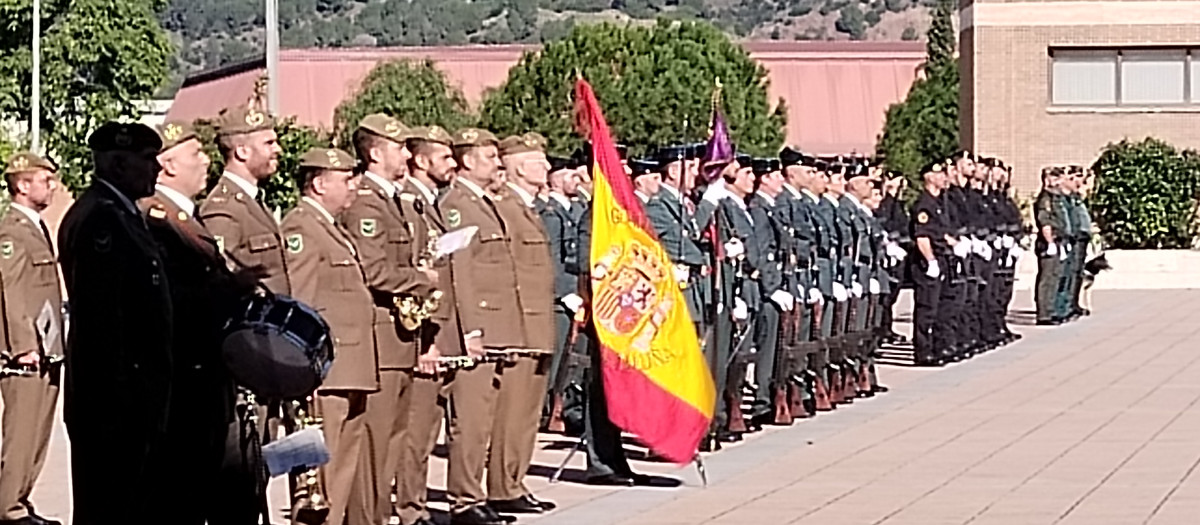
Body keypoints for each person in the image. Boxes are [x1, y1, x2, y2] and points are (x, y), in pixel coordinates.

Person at [139, 121, 264, 525]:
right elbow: (173, 298)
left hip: (207, 376)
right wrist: (233, 287)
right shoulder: (158, 218)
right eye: (196, 154)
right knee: (185, 494)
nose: (206, 161)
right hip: (186, 378)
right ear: (168, 165)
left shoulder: (185, 216)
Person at [58, 122, 173, 524]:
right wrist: (128, 393)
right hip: (114, 398)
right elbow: (103, 319)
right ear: (118, 164)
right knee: (110, 505)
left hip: (129, 393)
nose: (156, 168)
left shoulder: (123, 215)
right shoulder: (101, 220)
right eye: (146, 160)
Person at [342, 115, 440, 525]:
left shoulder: (395, 200)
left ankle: (382, 513)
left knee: (396, 441)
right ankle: (370, 517)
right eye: (399, 147)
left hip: (403, 337)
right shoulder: (366, 201)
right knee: (377, 443)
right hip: (382, 339)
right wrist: (423, 279)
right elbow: (375, 270)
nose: (405, 154)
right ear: (376, 153)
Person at [281, 147, 377, 525]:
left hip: (351, 364)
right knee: (319, 474)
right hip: (325, 371)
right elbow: (300, 302)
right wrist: (303, 369)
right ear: (319, 184)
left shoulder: (330, 227)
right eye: (345, 179)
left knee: (342, 469)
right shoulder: (301, 227)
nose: (353, 186)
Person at [440, 127, 522, 525]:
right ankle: (463, 499)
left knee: (484, 417)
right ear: (468, 160)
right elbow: (461, 272)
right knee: (469, 419)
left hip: (496, 325)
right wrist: (470, 328)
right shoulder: (457, 203)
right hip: (477, 326)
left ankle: (475, 495)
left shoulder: (484, 202)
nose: (497, 163)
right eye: (489, 156)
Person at [487, 132, 558, 515]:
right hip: (520, 327)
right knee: (511, 413)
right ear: (516, 166)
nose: (546, 167)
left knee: (528, 412)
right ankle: (502, 485)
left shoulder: (528, 207)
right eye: (537, 161)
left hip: (537, 324)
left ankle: (514, 480)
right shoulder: (506, 208)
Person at [397, 124, 463, 525]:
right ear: (422, 161)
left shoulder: (429, 203)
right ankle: (410, 509)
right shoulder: (408, 203)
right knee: (416, 432)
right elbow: (415, 274)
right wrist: (425, 341)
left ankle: (415, 504)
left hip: (439, 328)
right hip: (420, 331)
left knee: (426, 428)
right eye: (444, 157)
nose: (451, 164)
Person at [0, 152, 65, 525]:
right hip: (25, 353)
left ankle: (21, 503)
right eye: (45, 180)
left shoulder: (34, 226)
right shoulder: (12, 231)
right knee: (21, 435)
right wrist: (23, 345)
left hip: (47, 348)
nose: (52, 187)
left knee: (38, 433)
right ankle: (8, 509)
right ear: (23, 186)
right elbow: (11, 290)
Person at [199, 106, 289, 295]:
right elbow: (222, 283)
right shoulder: (223, 210)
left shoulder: (254, 201)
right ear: (242, 152)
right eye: (269, 143)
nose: (277, 149)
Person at [540, 156, 585, 434]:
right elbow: (552, 258)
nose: (576, 180)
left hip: (577, 294)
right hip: (561, 299)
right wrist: (565, 293)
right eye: (570, 175)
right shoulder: (551, 213)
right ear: (555, 178)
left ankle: (563, 409)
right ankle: (548, 412)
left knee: (571, 360)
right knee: (557, 359)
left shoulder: (575, 209)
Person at [747, 158, 793, 426]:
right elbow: (762, 252)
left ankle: (769, 397)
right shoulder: (758, 209)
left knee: (777, 348)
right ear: (765, 179)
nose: (781, 180)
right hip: (766, 291)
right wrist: (773, 288)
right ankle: (762, 402)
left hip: (777, 285)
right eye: (776, 176)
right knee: (765, 350)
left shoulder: (771, 208)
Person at [910, 161, 951, 367]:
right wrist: (931, 261)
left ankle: (934, 347)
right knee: (926, 308)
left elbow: (940, 232)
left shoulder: (938, 203)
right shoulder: (924, 204)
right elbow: (922, 237)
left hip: (940, 258)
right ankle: (922, 351)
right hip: (927, 262)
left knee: (937, 307)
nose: (945, 177)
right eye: (940, 173)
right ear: (929, 177)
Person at [1034, 167, 1065, 325]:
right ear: (1046, 179)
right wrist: (1050, 243)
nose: (1058, 181)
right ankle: (1043, 314)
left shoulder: (1055, 198)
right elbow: (1044, 222)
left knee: (1055, 277)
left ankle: (1051, 310)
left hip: (1057, 241)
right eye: (1055, 178)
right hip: (1048, 243)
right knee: (1047, 278)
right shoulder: (1045, 199)